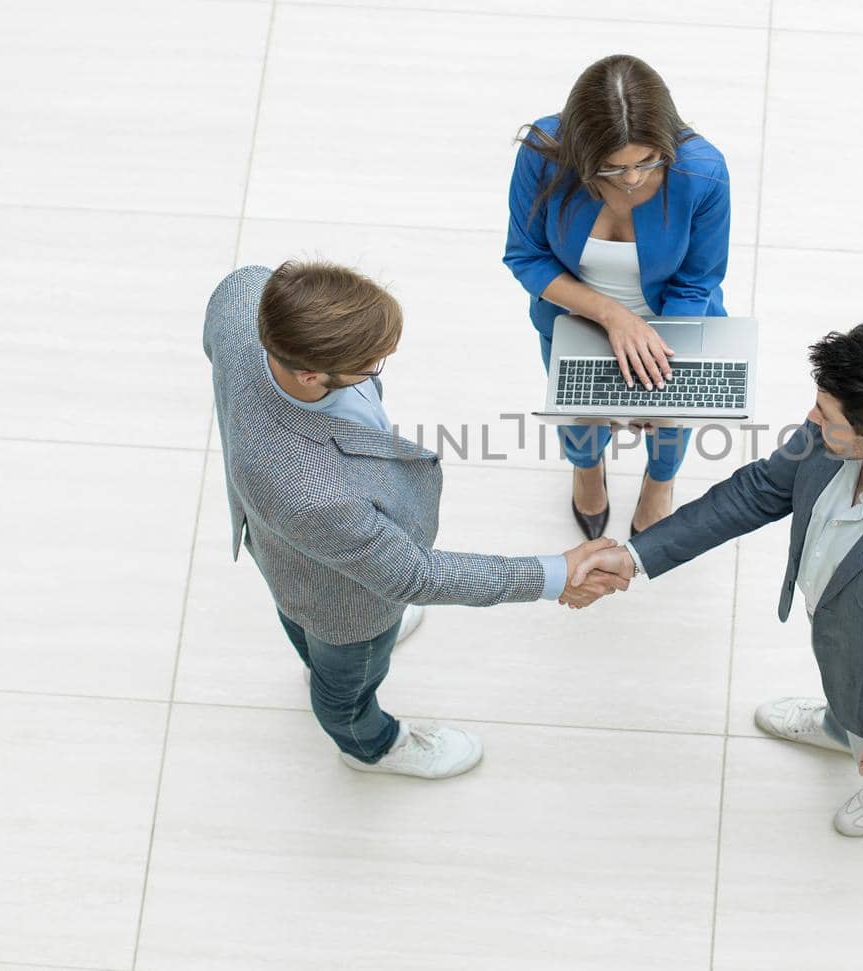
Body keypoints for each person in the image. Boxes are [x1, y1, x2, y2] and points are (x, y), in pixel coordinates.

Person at [578, 320, 863, 836]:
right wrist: (635, 556)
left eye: (824, 415)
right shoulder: (858, 427)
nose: (810, 418)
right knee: (849, 686)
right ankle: (838, 723)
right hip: (851, 634)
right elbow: (759, 491)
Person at [203, 261, 625, 781]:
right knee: (346, 683)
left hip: (299, 549)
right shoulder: (310, 491)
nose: (384, 362)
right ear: (310, 374)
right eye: (372, 363)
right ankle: (370, 747)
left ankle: (320, 655)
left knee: (302, 614)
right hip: (346, 604)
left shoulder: (245, 294)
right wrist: (552, 574)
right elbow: (413, 576)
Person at [503, 53, 732, 539]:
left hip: (675, 317)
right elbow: (526, 256)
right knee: (582, 416)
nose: (631, 179)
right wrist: (611, 315)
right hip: (573, 315)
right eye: (611, 167)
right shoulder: (543, 156)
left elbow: (696, 281)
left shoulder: (703, 171)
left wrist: (661, 367)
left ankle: (660, 481)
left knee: (669, 418)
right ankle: (587, 469)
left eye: (647, 162)